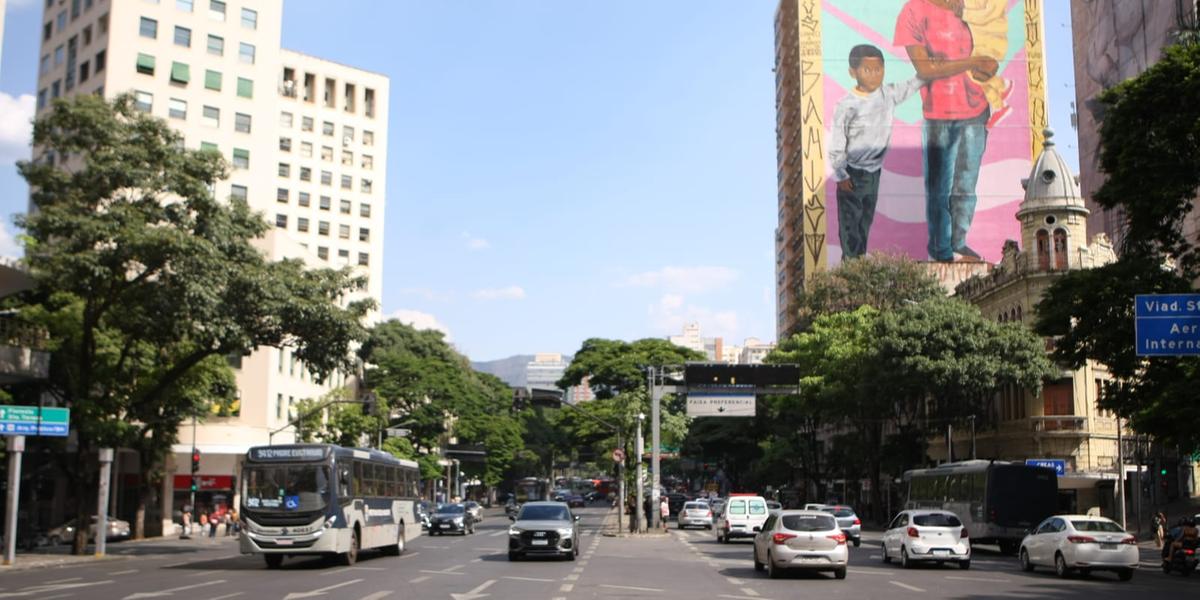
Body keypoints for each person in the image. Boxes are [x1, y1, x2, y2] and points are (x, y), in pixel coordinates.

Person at [894, 0, 999, 263]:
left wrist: (984, 68)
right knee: (939, 188)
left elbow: (977, 63)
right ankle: (941, 251)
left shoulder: (964, 6)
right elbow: (926, 69)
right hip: (938, 113)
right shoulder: (913, 11)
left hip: (975, 109)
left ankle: (959, 243)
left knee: (966, 185)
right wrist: (970, 61)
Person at [828, 44, 924, 260]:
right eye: (867, 70)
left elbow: (911, 85)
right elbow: (836, 143)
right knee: (850, 225)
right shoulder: (846, 105)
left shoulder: (888, 94)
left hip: (874, 173)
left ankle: (860, 261)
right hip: (852, 173)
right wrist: (841, 175)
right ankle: (851, 265)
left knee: (865, 222)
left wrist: (927, 71)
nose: (874, 75)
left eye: (879, 69)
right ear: (853, 72)